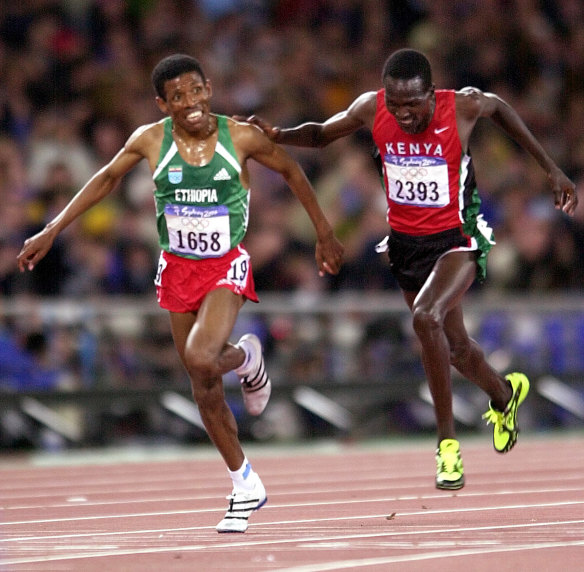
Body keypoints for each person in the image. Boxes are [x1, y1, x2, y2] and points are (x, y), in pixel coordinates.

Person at [17, 54, 344, 531]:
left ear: (208, 89)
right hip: (176, 270)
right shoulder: (151, 140)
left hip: (225, 267)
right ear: (162, 103)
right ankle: (244, 481)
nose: (189, 104)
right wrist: (53, 227)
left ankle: (247, 358)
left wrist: (324, 233)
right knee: (203, 387)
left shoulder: (242, 137)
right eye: (177, 97)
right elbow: (107, 178)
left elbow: (293, 172)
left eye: (195, 92)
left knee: (198, 356)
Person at [244, 48, 578, 490]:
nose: (404, 114)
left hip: (457, 238)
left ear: (430, 93)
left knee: (426, 318)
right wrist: (279, 133)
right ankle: (503, 394)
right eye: (396, 104)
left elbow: (501, 109)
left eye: (413, 104)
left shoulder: (461, 105)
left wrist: (551, 169)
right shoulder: (371, 107)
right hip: (406, 245)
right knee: (455, 347)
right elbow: (322, 135)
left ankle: (447, 447)